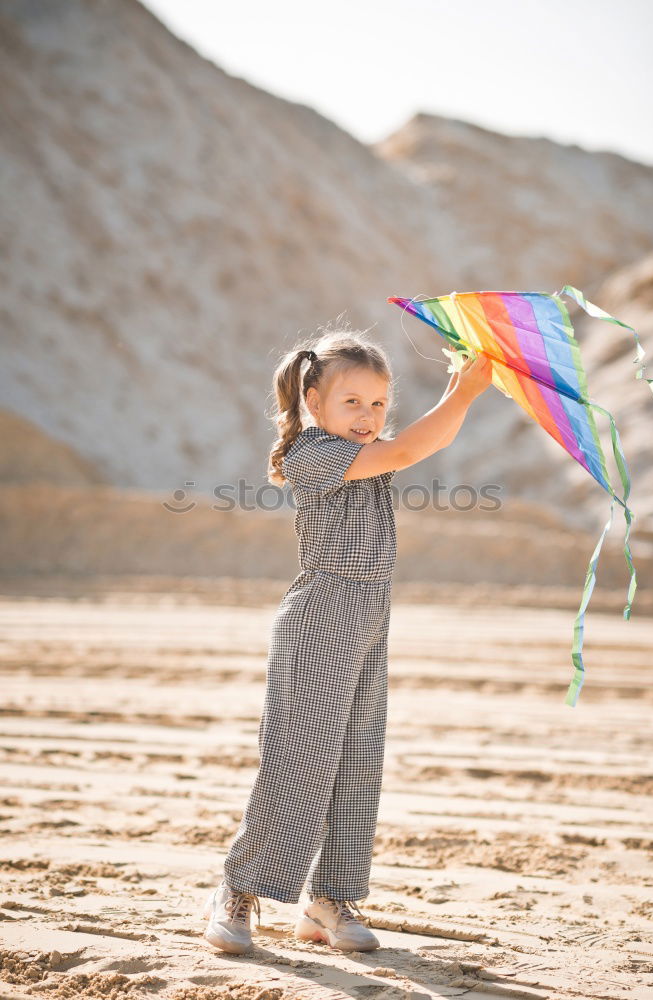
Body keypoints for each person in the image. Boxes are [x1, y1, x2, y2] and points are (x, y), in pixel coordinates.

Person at [202, 327, 492, 954]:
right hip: (320, 616)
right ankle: (239, 888)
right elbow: (409, 450)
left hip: (369, 617)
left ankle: (328, 898)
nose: (368, 417)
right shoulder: (310, 452)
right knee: (297, 760)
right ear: (313, 402)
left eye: (379, 404)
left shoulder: (369, 451)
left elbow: (417, 442)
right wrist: (464, 394)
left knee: (357, 764)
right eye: (352, 402)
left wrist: (458, 390)